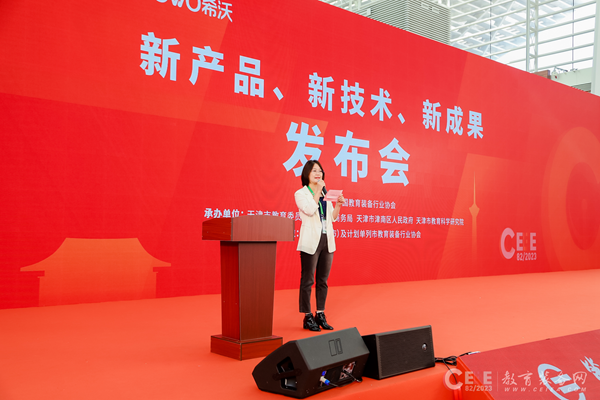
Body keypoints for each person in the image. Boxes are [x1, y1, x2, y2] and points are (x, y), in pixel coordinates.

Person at [294, 160, 345, 332]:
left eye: (320, 171)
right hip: (310, 240)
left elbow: (332, 218)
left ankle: (320, 313)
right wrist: (317, 192)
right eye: (314, 171)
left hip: (327, 240)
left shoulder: (325, 193)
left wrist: (338, 205)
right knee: (308, 280)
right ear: (307, 174)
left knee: (323, 280)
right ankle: (307, 316)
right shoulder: (301, 193)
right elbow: (309, 210)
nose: (318, 173)